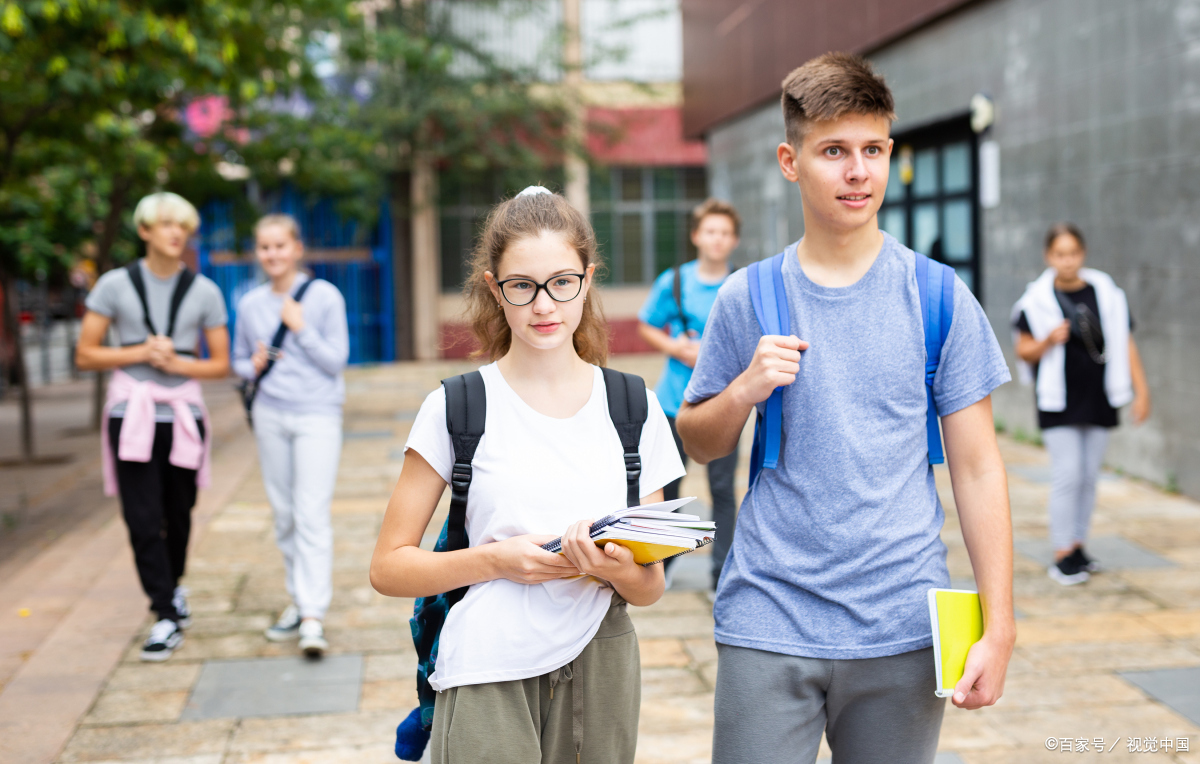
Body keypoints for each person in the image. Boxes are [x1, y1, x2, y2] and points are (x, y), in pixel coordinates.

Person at [675, 53, 1017, 763]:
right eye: (833, 151)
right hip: (769, 614)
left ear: (890, 153)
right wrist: (744, 389)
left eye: (872, 150)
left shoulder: (939, 296)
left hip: (902, 623)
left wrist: (1000, 621)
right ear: (789, 160)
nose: (858, 171)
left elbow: (979, 469)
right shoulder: (749, 296)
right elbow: (699, 440)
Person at [369, 187, 683, 764]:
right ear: (495, 288)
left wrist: (615, 567)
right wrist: (497, 560)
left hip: (602, 658)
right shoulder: (458, 406)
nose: (545, 305)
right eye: (523, 286)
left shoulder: (634, 407)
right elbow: (388, 568)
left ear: (587, 281)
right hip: (487, 660)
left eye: (562, 283)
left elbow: (652, 586)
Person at [76, 192, 230, 661]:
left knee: (179, 513)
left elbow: (220, 364)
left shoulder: (204, 291)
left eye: (181, 225)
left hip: (182, 414)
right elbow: (86, 354)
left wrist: (180, 363)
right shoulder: (114, 284)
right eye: (164, 224)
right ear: (144, 231)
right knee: (141, 518)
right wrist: (140, 353)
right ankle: (164, 612)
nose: (174, 232)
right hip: (132, 413)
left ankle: (172, 586)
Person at [233, 214, 349, 656]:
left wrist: (301, 329)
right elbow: (240, 362)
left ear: (297, 248)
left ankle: (313, 616)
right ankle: (299, 602)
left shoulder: (324, 297)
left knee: (310, 512)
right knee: (283, 514)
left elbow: (336, 360)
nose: (273, 254)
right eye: (264, 247)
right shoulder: (249, 304)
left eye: (281, 245)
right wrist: (254, 365)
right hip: (270, 414)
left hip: (317, 415)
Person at [1011, 223, 1150, 585]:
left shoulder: (1106, 292)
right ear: (1048, 256)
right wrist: (1047, 340)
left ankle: (1077, 546)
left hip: (1100, 396)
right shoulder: (1036, 300)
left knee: (1088, 477)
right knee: (1068, 474)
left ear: (1082, 254)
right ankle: (1061, 554)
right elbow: (1022, 349)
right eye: (1060, 254)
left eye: (1073, 253)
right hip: (1059, 401)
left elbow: (1125, 341)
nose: (1067, 261)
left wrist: (1141, 390)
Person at [637, 198, 741, 592]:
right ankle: (665, 569)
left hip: (723, 405)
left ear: (733, 241)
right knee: (671, 489)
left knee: (721, 490)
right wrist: (676, 348)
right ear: (697, 236)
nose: (717, 239)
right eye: (710, 231)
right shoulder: (674, 282)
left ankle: (721, 573)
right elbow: (648, 325)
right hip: (672, 404)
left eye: (725, 233)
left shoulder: (740, 284)